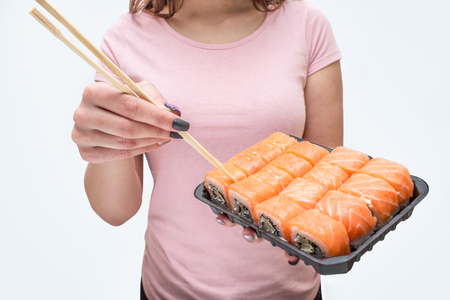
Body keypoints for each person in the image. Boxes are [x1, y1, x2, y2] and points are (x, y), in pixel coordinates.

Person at [71, 0, 343, 298]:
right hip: (169, 289)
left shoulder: (307, 24)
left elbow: (325, 182)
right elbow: (115, 210)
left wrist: (288, 226)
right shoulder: (125, 38)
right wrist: (109, 138)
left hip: (292, 292)